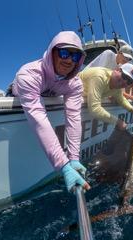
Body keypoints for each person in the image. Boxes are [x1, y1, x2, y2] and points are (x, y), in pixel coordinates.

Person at [12, 31, 90, 193]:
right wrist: (63, 165)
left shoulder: (74, 83)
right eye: (64, 53)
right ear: (52, 52)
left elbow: (74, 117)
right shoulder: (29, 74)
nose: (69, 60)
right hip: (21, 100)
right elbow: (39, 120)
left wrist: (74, 157)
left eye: (75, 57)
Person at [79, 63, 133, 131]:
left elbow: (121, 99)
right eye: (124, 76)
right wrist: (118, 122)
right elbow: (94, 109)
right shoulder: (100, 76)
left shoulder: (117, 87)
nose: (125, 82)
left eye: (129, 82)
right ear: (117, 70)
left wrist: (132, 110)